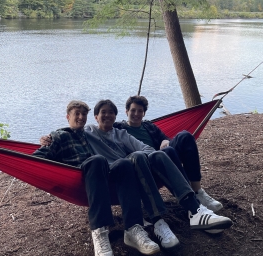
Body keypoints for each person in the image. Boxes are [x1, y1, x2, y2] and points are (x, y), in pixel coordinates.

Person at [84, 100, 232, 244]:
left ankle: (196, 210)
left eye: (111, 113)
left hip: (134, 168)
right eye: (103, 112)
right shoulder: (88, 131)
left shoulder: (122, 133)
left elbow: (148, 148)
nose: (107, 116)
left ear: (115, 116)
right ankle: (158, 221)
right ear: (96, 116)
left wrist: (155, 152)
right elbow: (69, 133)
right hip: (112, 176)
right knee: (138, 156)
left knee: (157, 154)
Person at [34, 100, 160, 256]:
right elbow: (36, 159)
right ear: (67, 117)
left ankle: (133, 228)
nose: (80, 117)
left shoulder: (89, 132)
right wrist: (46, 142)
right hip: (79, 178)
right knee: (97, 159)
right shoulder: (60, 136)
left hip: (103, 176)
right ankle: (100, 231)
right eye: (76, 114)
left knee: (124, 163)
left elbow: (112, 125)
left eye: (83, 114)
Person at [114, 95, 223, 212]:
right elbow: (101, 130)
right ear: (126, 111)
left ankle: (197, 192)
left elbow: (165, 139)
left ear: (144, 113)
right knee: (168, 151)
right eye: (133, 110)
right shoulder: (118, 129)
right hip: (145, 165)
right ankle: (190, 197)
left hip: (163, 158)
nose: (136, 114)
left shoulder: (149, 126)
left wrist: (165, 140)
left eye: (140, 111)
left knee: (185, 136)